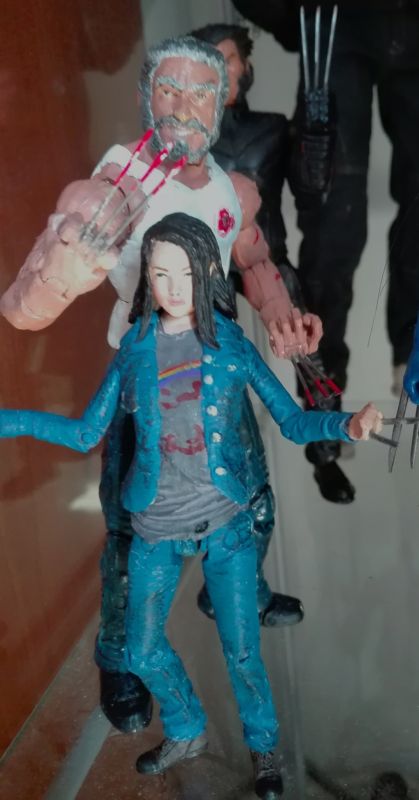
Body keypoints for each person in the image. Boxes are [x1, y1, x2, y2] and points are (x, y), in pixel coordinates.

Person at [0, 35, 324, 734]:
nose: (182, 108)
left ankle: (237, 591)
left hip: (217, 371)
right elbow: (24, 312)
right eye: (168, 91)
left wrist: (281, 315)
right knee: (127, 537)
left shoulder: (235, 190)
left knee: (252, 501)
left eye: (199, 93)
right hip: (143, 382)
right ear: (146, 96)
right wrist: (67, 267)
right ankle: (120, 657)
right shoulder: (112, 187)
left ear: (223, 101)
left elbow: (253, 259)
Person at [0, 213, 383, 799]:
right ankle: (186, 728)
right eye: (160, 274)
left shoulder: (230, 344)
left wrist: (346, 426)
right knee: (139, 649)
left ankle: (264, 748)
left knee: (242, 651)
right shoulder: (134, 349)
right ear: (147, 279)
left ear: (208, 271)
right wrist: (12, 420)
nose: (174, 286)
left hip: (227, 527)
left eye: (185, 272)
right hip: (155, 528)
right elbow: (85, 433)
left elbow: (290, 420)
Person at [191, 23, 354, 511]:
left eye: (228, 59)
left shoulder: (270, 129)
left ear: (245, 67)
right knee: (203, 359)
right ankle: (207, 464)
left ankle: (325, 451)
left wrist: (317, 129)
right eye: (208, 60)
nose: (220, 70)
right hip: (205, 263)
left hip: (267, 255)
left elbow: (311, 187)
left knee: (310, 353)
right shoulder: (187, 135)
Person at [231, 0, 419, 399]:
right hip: (336, 20)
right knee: (333, 217)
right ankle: (322, 384)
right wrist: (294, 17)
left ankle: (411, 355)